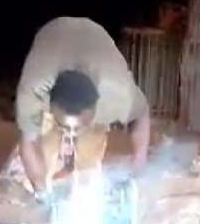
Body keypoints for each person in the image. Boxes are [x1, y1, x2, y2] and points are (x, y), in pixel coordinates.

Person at [15, 17, 151, 199]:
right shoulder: (34, 90)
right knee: (44, 147)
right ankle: (50, 181)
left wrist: (139, 164)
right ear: (50, 104)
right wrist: (41, 192)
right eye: (66, 125)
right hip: (53, 33)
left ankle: (81, 191)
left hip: (95, 38)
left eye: (78, 126)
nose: (72, 131)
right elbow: (28, 143)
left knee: (88, 163)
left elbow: (141, 114)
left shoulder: (117, 94)